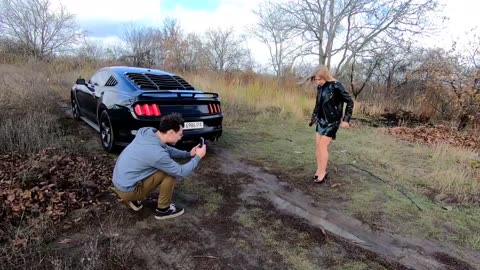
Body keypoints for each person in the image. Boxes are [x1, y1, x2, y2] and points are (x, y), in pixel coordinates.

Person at [112, 113, 206, 220]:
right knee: (169, 173)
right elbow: (181, 171)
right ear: (170, 133)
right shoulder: (157, 154)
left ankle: (133, 200)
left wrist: (188, 154)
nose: (181, 137)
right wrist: (198, 157)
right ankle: (163, 210)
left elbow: (166, 148)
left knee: (158, 167)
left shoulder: (147, 132)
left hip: (119, 182)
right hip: (127, 190)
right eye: (180, 134)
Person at [309, 65, 354, 184]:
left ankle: (323, 173)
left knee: (323, 146)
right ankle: (319, 170)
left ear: (325, 76)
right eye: (316, 79)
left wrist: (346, 119)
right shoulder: (320, 87)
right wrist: (314, 117)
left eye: (320, 79)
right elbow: (318, 103)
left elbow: (349, 101)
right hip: (321, 120)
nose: (318, 82)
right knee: (318, 145)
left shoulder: (336, 85)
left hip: (332, 121)